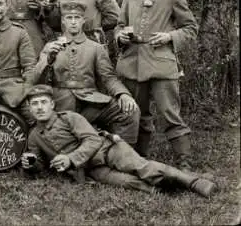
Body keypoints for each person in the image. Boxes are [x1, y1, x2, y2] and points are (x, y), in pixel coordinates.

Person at [21, 85, 215, 198]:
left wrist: (70, 159)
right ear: (30, 109)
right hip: (92, 169)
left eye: (43, 102)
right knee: (129, 182)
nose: (39, 108)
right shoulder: (34, 135)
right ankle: (170, 190)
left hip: (108, 149)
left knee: (142, 167)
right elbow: (39, 165)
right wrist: (30, 164)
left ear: (52, 104)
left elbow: (92, 140)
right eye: (35, 104)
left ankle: (194, 182)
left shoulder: (69, 117)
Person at [115, 0, 199, 170]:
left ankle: (184, 161)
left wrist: (169, 36)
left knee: (170, 112)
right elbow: (119, 25)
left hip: (162, 64)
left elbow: (191, 28)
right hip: (133, 64)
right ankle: (139, 158)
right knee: (137, 114)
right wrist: (120, 36)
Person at [31, 1, 139, 146]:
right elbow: (35, 80)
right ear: (63, 20)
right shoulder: (51, 47)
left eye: (77, 18)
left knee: (130, 111)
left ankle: (124, 153)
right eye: (69, 18)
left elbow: (108, 78)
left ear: (83, 20)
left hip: (91, 103)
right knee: (66, 139)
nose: (73, 22)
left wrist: (123, 94)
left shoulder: (96, 48)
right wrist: (47, 59)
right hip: (61, 104)